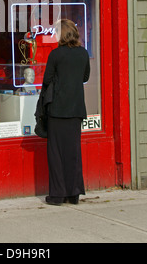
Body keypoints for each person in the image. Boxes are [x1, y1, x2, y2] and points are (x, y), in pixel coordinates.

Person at [42, 19, 90, 206]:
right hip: (76, 109)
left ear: (61, 34)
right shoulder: (83, 53)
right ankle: (74, 193)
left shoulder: (56, 54)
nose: (54, 35)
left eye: (56, 32)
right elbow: (85, 76)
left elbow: (47, 79)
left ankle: (57, 195)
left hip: (57, 110)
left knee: (56, 154)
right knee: (73, 153)